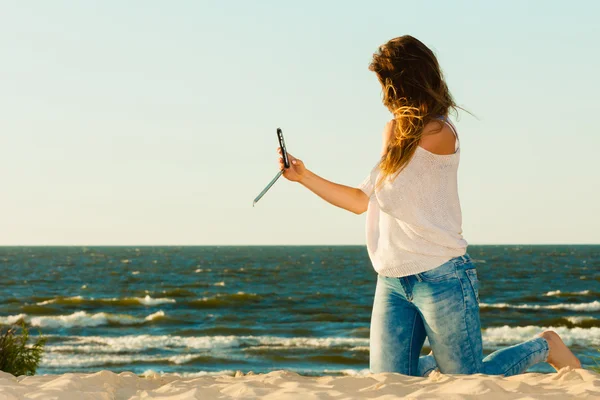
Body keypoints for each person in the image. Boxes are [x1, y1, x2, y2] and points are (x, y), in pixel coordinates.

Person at [276, 35, 581, 377]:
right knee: (389, 383)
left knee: (466, 382)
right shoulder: (393, 131)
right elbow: (362, 202)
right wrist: (303, 176)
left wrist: (391, 139)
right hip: (392, 278)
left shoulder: (440, 132)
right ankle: (444, 358)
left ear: (402, 83)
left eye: (385, 84)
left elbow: (389, 196)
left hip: (441, 274)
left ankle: (545, 345)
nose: (383, 95)